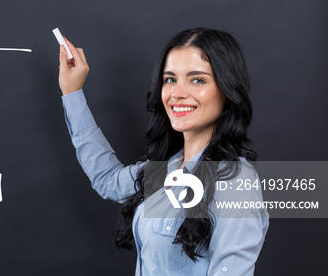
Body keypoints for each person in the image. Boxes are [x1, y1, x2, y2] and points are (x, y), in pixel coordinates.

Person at [58, 28, 269, 275]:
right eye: (170, 79)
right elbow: (108, 180)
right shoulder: (170, 168)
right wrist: (72, 93)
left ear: (227, 90)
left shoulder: (232, 182)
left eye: (197, 79)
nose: (177, 93)